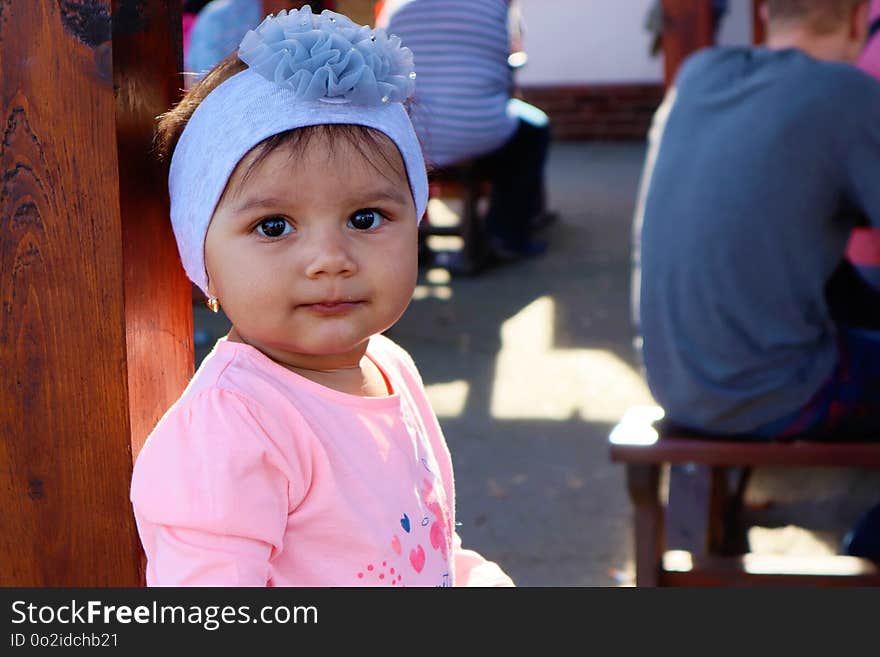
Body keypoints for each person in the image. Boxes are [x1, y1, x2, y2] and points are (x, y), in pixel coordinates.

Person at [130, 6, 514, 587]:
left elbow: (422, 541)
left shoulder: (391, 367)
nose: (329, 258)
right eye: (275, 226)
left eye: (366, 217)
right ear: (202, 257)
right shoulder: (230, 430)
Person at [633, 0, 880, 442]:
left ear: (766, 12)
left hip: (675, 382)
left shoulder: (699, 74)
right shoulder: (845, 91)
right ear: (860, 19)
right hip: (773, 392)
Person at [377, 0, 551, 260]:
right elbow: (506, 69)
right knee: (535, 130)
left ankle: (413, 235)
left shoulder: (399, 6)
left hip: (413, 133)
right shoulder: (493, 6)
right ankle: (507, 235)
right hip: (478, 130)